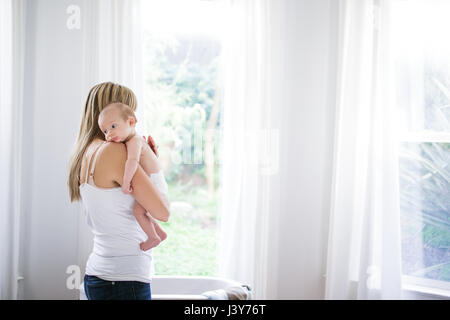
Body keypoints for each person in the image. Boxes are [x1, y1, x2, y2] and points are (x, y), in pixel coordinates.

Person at [67, 82, 170, 300]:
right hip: (123, 280)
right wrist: (152, 162)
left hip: (99, 275)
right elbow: (163, 212)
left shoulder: (87, 151)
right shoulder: (114, 151)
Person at [98, 102, 167, 251]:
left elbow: (132, 162)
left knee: (138, 211)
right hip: (156, 182)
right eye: (105, 131)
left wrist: (126, 183)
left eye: (113, 126)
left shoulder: (134, 141)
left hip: (156, 185)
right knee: (141, 209)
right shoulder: (133, 140)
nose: (109, 133)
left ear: (131, 121)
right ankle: (160, 233)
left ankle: (153, 237)